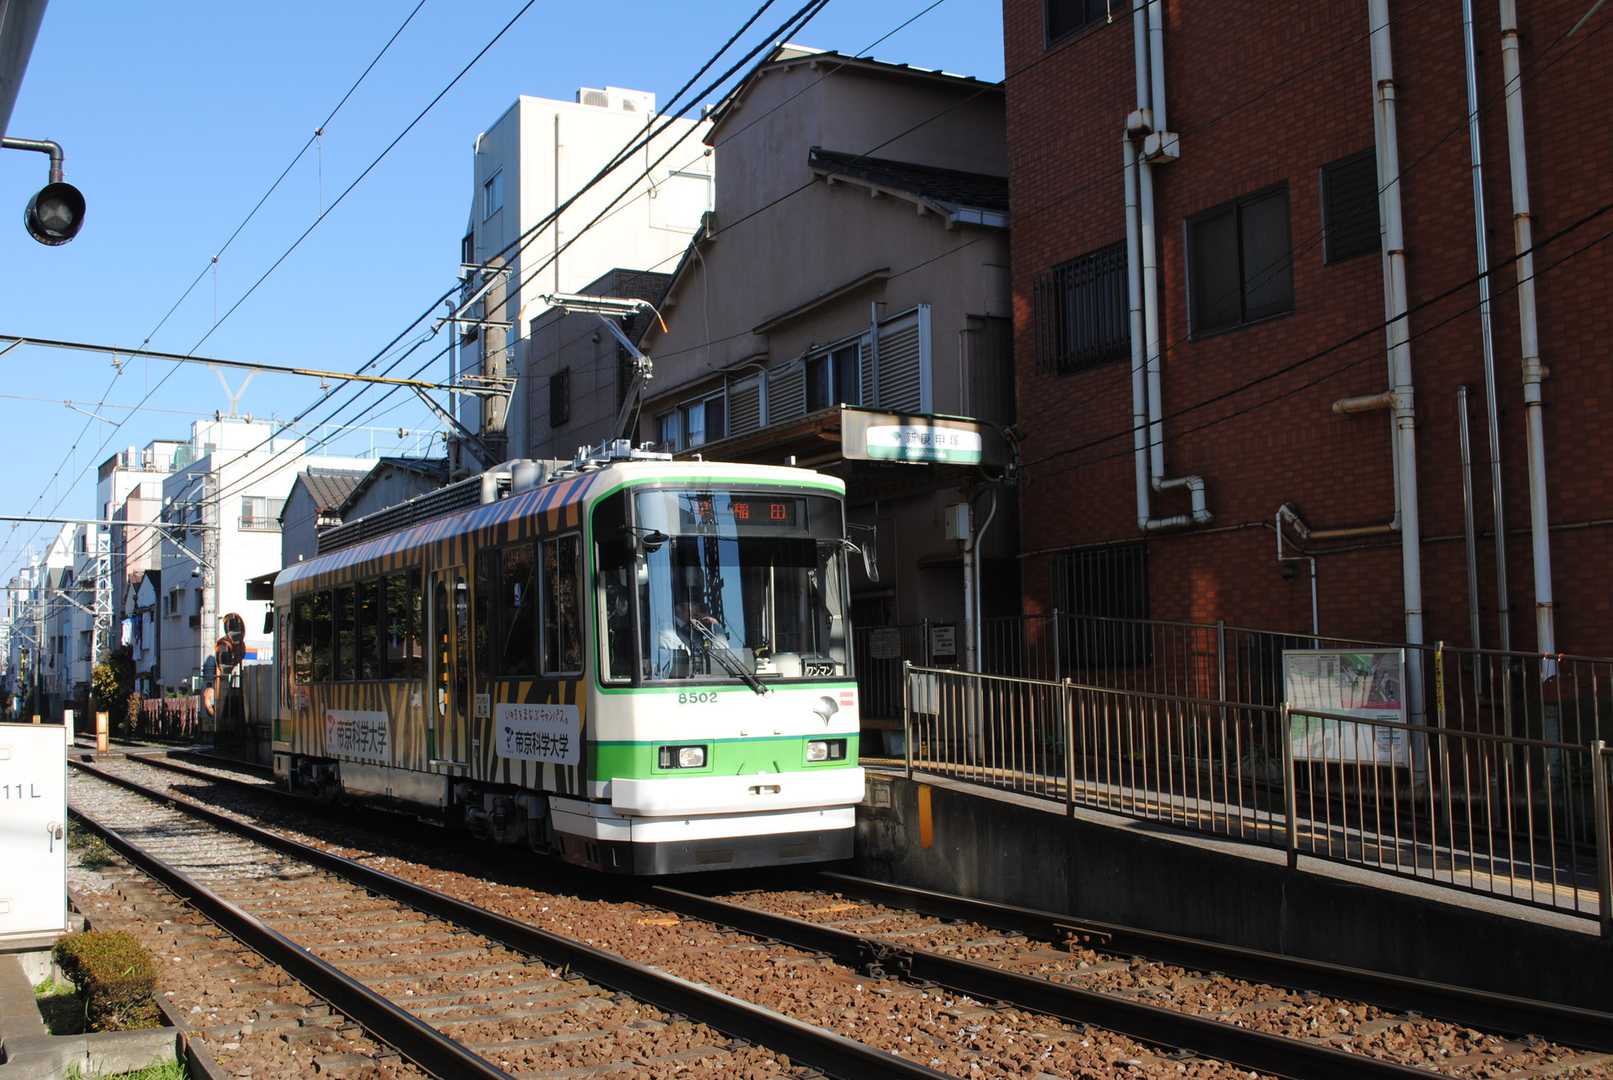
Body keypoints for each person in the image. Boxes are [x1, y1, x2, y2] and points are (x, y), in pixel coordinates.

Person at [655, 599, 718, 677]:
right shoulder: (666, 631)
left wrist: (715, 626)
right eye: (697, 606)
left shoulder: (696, 630)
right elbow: (669, 665)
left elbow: (719, 651)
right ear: (679, 607)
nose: (699, 611)